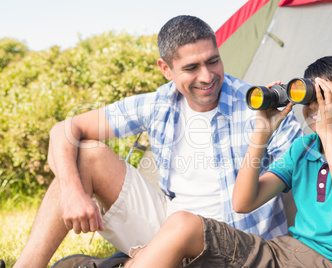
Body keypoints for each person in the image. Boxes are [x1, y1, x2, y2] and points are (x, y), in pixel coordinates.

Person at [14, 15, 302, 268]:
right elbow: (63, 130)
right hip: (170, 229)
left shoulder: (259, 106)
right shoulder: (159, 104)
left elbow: (306, 171)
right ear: (166, 69)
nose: (207, 76)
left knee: (183, 227)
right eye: (191, 68)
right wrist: (72, 191)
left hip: (237, 247)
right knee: (85, 154)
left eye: (213, 61)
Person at [126, 54, 332, 268]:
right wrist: (262, 134)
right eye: (311, 96)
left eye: (326, 96)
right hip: (286, 254)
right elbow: (243, 202)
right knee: (181, 228)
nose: (315, 106)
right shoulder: (303, 148)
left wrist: (329, 136)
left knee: (177, 237)